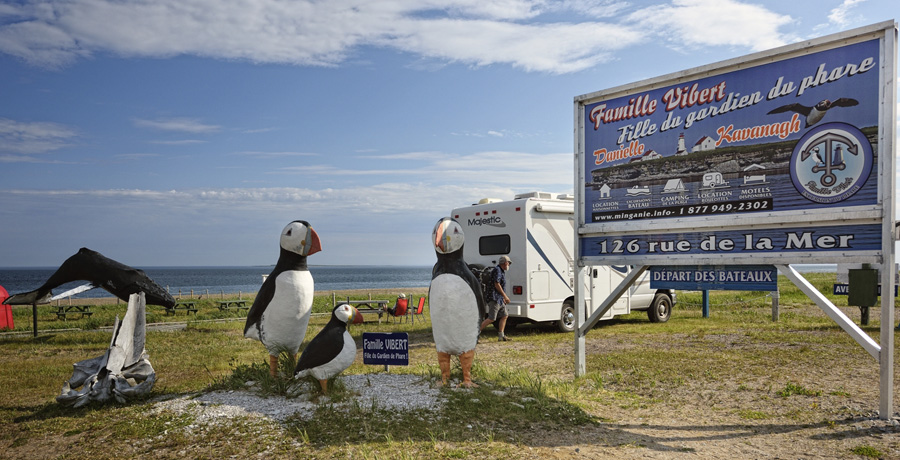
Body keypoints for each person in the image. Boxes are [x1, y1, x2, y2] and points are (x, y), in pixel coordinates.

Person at [479, 255, 512, 341]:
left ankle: (501, 336)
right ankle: (475, 335)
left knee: (504, 315)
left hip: (499, 298)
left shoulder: (501, 271)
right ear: (505, 263)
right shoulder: (497, 270)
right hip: (494, 298)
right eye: (508, 263)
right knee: (491, 318)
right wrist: (505, 296)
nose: (509, 265)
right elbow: (496, 284)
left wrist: (502, 297)